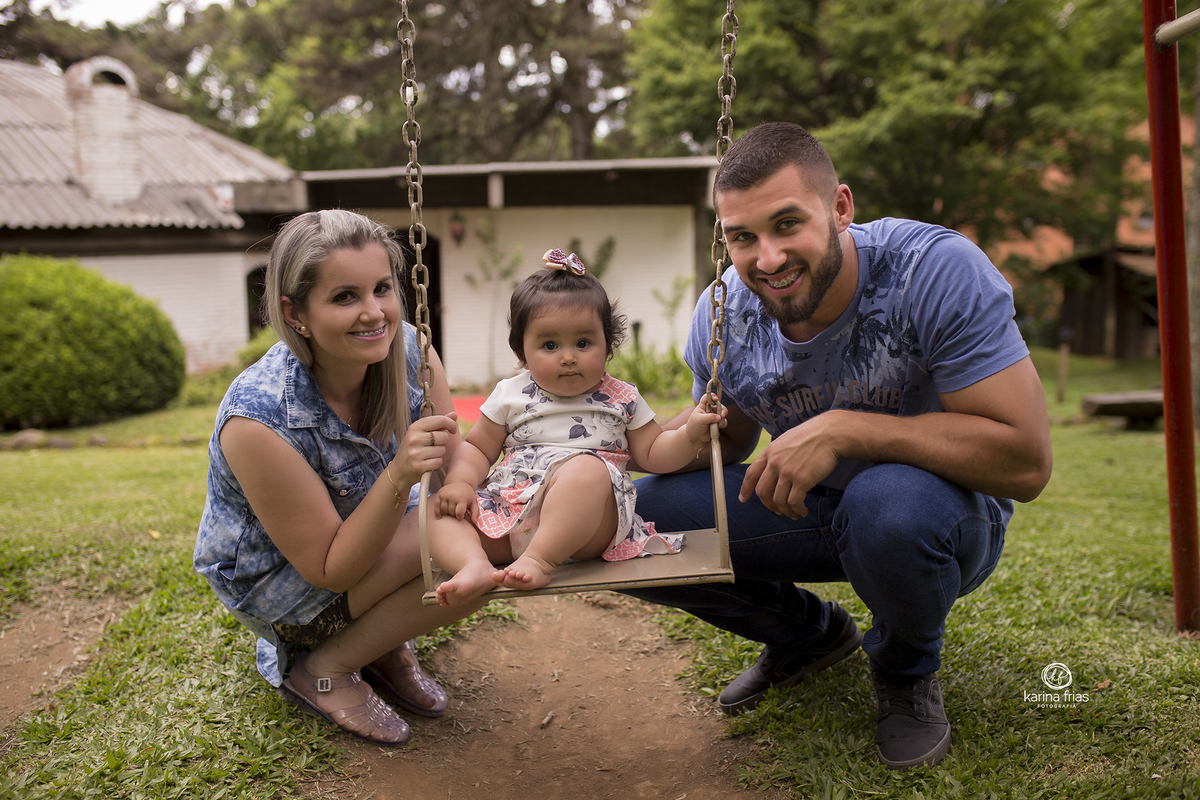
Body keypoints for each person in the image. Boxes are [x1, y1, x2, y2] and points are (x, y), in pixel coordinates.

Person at [625, 122, 1053, 770]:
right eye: (743, 237)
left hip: (938, 512)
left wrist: (847, 428)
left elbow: (1025, 461)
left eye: (787, 224)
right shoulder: (721, 313)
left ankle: (906, 672)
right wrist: (637, 438)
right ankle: (804, 634)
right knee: (624, 524)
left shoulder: (933, 270)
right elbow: (733, 444)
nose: (766, 258)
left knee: (885, 503)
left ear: (841, 208)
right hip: (806, 506)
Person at [194, 209, 483, 747]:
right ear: (295, 311)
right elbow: (329, 568)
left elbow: (453, 469)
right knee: (461, 545)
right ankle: (324, 667)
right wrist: (400, 476)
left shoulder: (413, 354)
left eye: (381, 288)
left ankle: (382, 643)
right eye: (344, 296)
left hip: (367, 540)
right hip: (288, 589)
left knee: (481, 531)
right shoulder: (257, 419)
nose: (374, 313)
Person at [429, 249, 727, 607]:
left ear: (608, 345)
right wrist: (460, 483)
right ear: (522, 352)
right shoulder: (510, 394)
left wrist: (690, 435)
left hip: (588, 526)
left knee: (587, 469)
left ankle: (540, 559)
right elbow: (477, 448)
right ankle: (473, 564)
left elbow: (654, 454)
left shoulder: (621, 398)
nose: (568, 356)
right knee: (435, 511)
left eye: (583, 343)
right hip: (508, 515)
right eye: (550, 345)